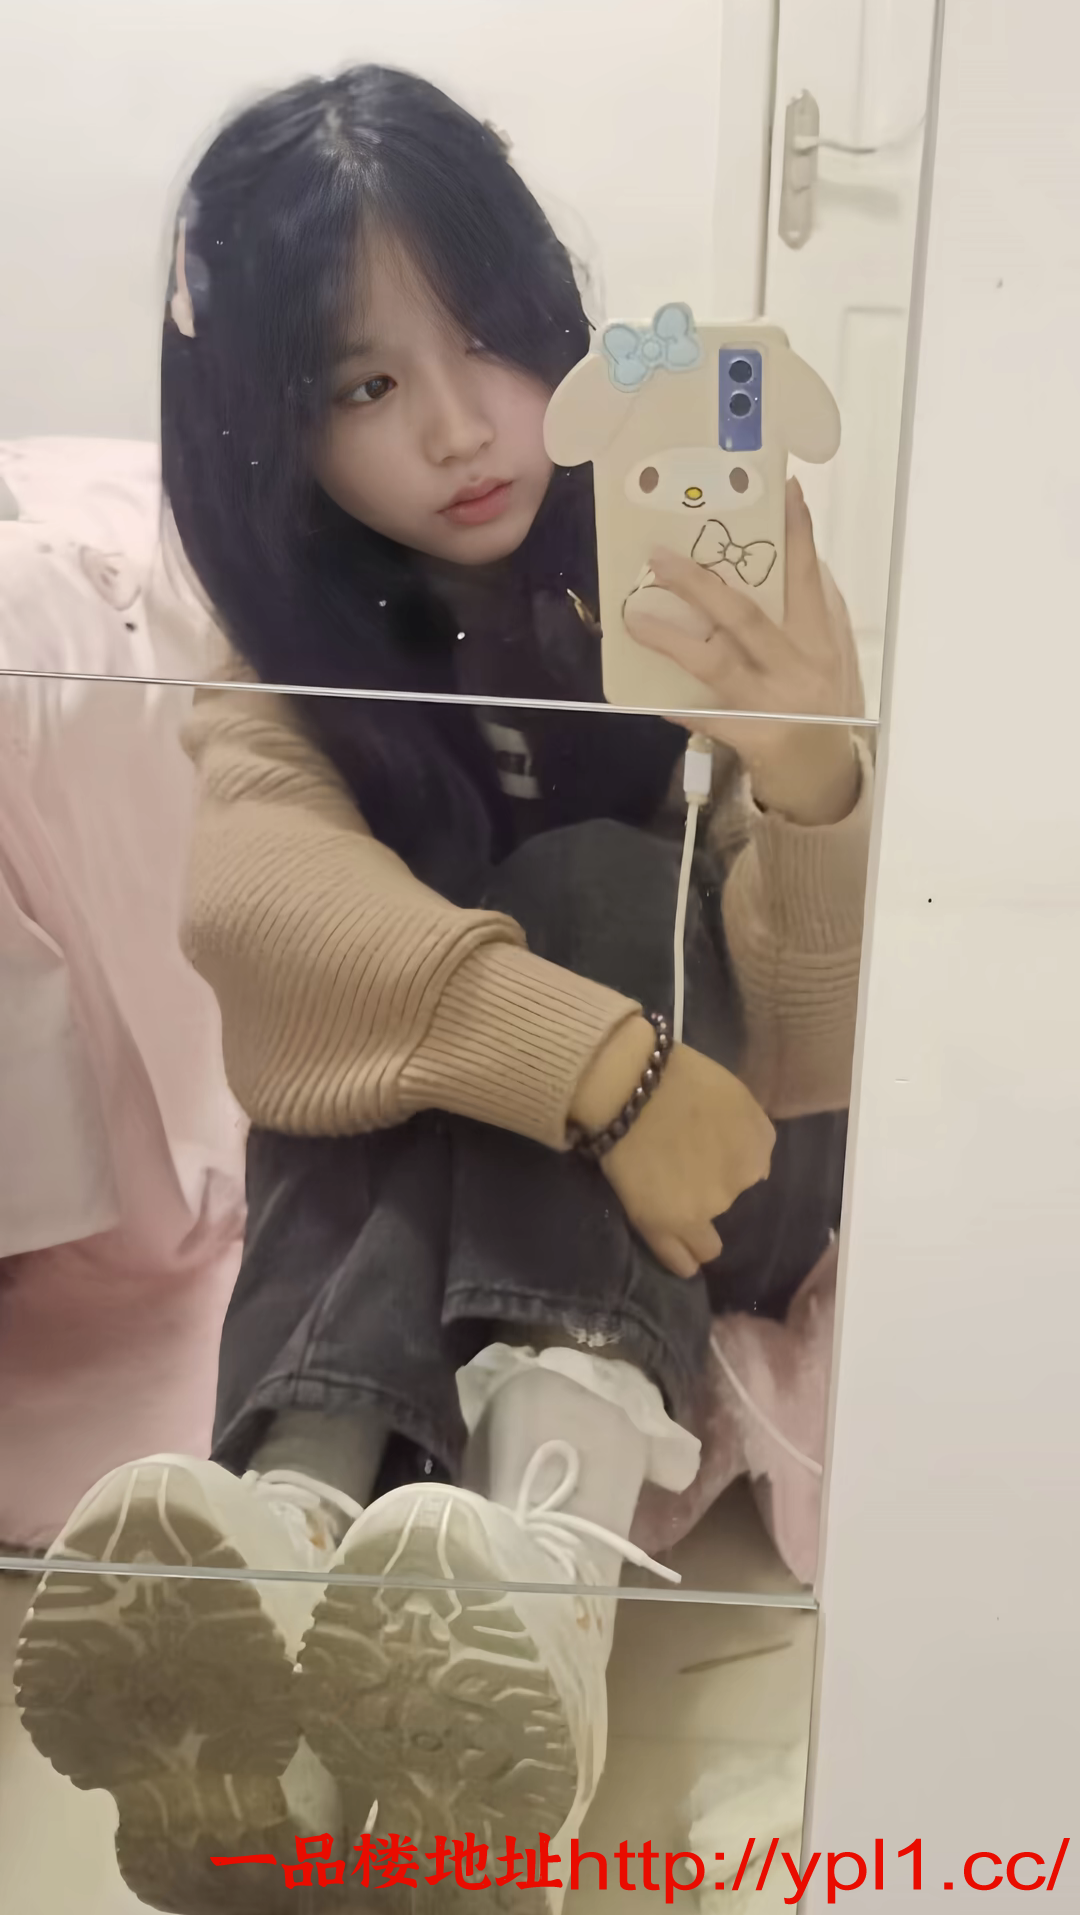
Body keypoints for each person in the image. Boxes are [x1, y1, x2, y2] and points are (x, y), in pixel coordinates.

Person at [15, 65, 872, 1914]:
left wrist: (812, 778)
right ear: (274, 430)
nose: (462, 424)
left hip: (726, 1161)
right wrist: (583, 1065)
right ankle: (294, 1565)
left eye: (487, 336)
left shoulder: (686, 567)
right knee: (354, 1035)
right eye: (363, 384)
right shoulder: (294, 643)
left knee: (576, 885)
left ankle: (536, 1574)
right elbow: (264, 903)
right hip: (566, 1128)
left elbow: (808, 1056)